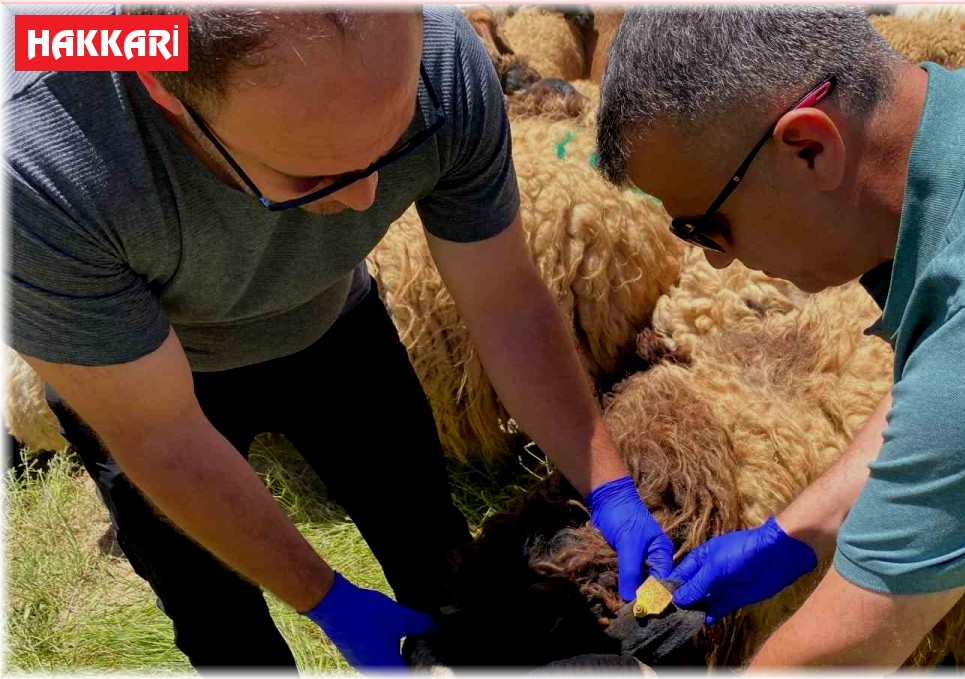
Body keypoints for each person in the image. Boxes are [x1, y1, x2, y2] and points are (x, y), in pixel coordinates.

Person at [6, 5, 672, 671]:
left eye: (395, 143)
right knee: (218, 619)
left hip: (336, 332)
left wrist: (607, 484)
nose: (366, 201)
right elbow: (161, 435)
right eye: (310, 178)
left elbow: (505, 298)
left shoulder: (441, 58)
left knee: (439, 560)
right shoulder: (39, 166)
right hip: (145, 381)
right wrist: (326, 598)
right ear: (162, 87)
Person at [595, 5, 965, 668]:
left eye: (705, 226)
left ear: (810, 147)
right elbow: (954, 381)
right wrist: (795, 532)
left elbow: (847, 646)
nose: (713, 261)